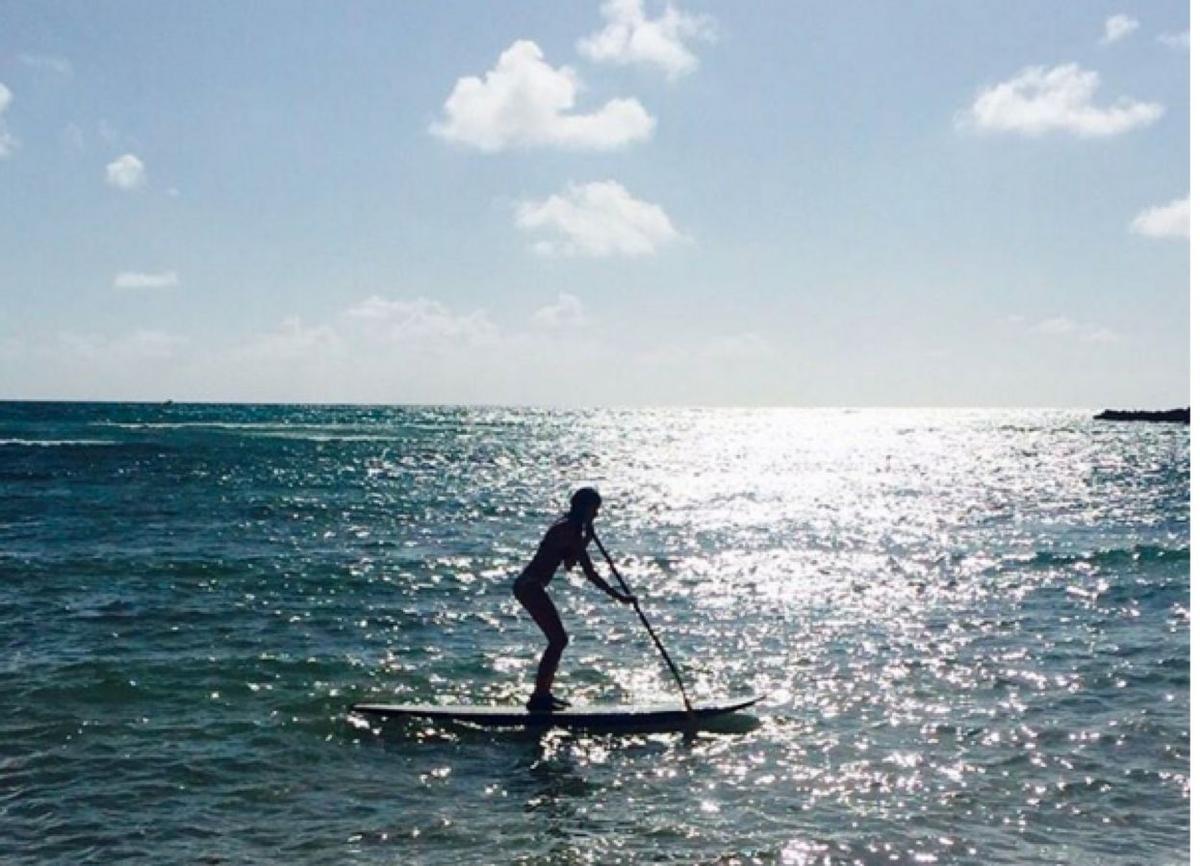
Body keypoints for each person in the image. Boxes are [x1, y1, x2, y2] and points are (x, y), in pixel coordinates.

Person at [513, 487, 635, 711]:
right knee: (558, 640)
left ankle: (542, 695)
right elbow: (589, 573)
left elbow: (569, 563)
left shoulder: (572, 528)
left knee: (558, 640)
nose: (596, 515)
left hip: (530, 586)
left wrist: (587, 536)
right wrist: (619, 596)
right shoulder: (567, 528)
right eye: (594, 510)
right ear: (584, 507)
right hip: (529, 586)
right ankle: (539, 698)